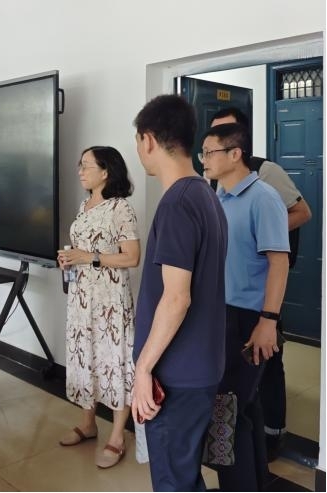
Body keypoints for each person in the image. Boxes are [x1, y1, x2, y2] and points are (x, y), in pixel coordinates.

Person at [131, 95, 228, 491]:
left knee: (173, 481)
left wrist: (143, 369)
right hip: (201, 365)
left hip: (177, 373)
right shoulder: (206, 195)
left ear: (148, 140)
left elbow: (177, 298)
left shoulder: (177, 204)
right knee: (185, 475)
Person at [210, 107, 312, 460]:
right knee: (240, 387)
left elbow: (302, 212)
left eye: (223, 134)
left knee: (266, 360)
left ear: (238, 143)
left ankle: (273, 433)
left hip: (260, 292)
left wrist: (264, 234)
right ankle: (251, 451)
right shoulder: (218, 185)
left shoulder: (266, 175)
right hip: (230, 299)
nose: (212, 147)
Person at [201, 122, 289, 491]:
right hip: (221, 314)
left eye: (209, 152)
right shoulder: (219, 197)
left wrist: (268, 321)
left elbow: (278, 262)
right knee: (244, 409)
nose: (203, 160)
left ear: (235, 154)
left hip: (248, 318)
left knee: (227, 414)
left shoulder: (263, 197)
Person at [56, 146, 140, 469]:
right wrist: (70, 259)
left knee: (113, 360)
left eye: (86, 166)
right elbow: (83, 250)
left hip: (109, 301)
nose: (80, 171)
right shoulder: (85, 205)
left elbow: (132, 257)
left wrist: (88, 257)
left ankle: (117, 435)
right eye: (80, 165)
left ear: (106, 172)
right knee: (86, 357)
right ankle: (88, 423)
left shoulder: (121, 208)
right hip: (81, 297)